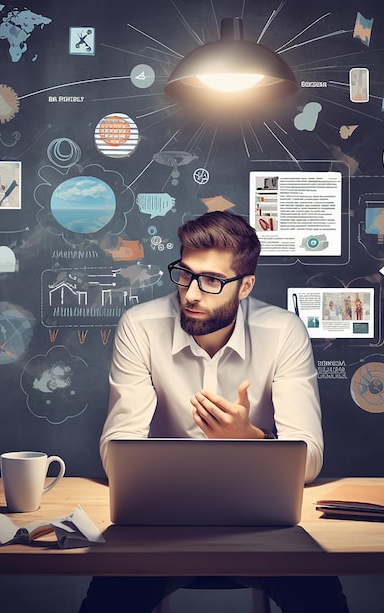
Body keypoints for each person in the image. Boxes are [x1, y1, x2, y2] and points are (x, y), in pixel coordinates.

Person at [79, 211, 349, 613]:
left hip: (264, 524)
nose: (190, 293)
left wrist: (248, 439)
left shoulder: (284, 331)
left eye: (211, 281)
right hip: (160, 522)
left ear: (246, 286)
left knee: (322, 602)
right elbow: (116, 450)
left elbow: (308, 459)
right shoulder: (140, 326)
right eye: (185, 274)